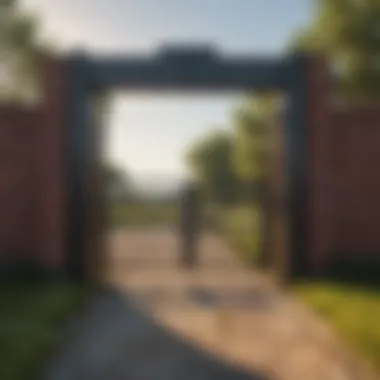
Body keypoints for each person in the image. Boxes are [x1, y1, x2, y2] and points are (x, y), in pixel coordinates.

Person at [179, 182, 202, 269]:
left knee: (186, 244)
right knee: (191, 244)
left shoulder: (185, 202)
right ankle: (190, 261)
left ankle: (187, 260)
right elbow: (197, 216)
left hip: (188, 226)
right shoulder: (195, 203)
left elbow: (182, 216)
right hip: (191, 226)